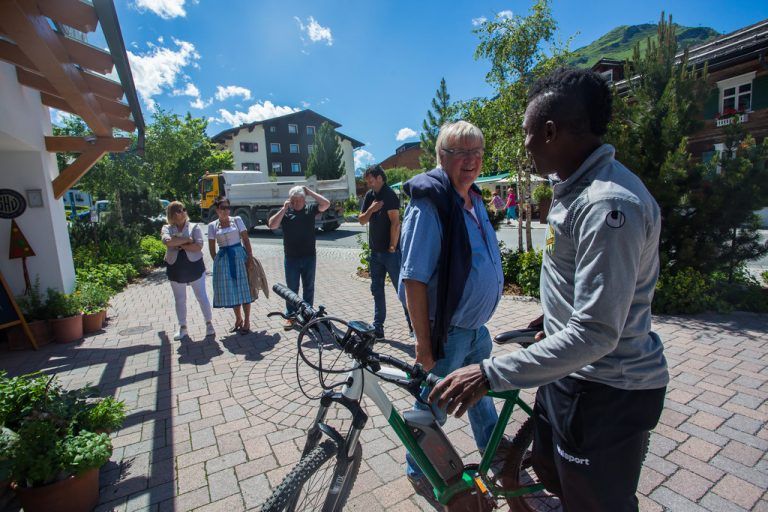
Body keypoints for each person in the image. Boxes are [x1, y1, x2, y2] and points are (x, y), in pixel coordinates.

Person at [430, 67, 668, 512]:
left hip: (605, 391)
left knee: (593, 500)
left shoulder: (607, 206)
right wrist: (554, 316)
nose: (523, 144)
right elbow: (588, 288)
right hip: (570, 373)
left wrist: (488, 373)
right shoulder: (574, 190)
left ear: (551, 131)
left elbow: (598, 332)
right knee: (549, 469)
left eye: (527, 132)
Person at [398, 120, 504, 495]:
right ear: (443, 157)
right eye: (461, 152)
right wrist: (423, 345)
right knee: (433, 404)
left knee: (481, 393)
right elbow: (413, 279)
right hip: (449, 332)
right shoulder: (431, 205)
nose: (471, 160)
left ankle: (493, 446)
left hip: (475, 329)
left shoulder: (474, 199)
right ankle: (418, 466)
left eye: (477, 151)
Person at [358, 164, 412, 340]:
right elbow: (361, 220)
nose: (369, 184)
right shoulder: (369, 196)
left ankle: (413, 326)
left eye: (371, 180)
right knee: (377, 290)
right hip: (375, 254)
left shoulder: (389, 195)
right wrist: (371, 209)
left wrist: (392, 246)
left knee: (402, 291)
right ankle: (378, 327)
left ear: (380, 178)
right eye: (367, 181)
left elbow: (396, 223)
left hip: (391, 254)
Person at [268, 185, 330, 329]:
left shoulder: (310, 210)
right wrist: (283, 209)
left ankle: (308, 316)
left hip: (309, 257)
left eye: (298, 200)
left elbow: (326, 204)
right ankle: (291, 316)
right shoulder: (286, 213)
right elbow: (272, 225)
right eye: (293, 200)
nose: (296, 203)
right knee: (292, 289)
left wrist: (309, 192)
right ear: (289, 200)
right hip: (291, 258)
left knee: (309, 287)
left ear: (304, 199)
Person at [161, 201, 214, 340]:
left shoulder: (194, 226)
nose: (183, 211)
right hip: (175, 267)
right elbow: (167, 242)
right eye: (179, 210)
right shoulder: (166, 228)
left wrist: (181, 244)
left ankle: (209, 324)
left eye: (184, 209)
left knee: (201, 296)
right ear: (172, 214)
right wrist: (187, 240)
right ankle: (183, 327)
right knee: (180, 299)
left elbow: (198, 246)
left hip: (194, 266)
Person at [207, 196, 255, 334]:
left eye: (228, 207)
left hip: (239, 256)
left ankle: (247, 321)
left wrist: (250, 258)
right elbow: (211, 247)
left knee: (244, 289)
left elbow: (245, 239)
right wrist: (217, 261)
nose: (226, 210)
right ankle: (238, 319)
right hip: (224, 260)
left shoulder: (237, 220)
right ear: (217, 210)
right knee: (233, 291)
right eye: (223, 208)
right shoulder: (212, 226)